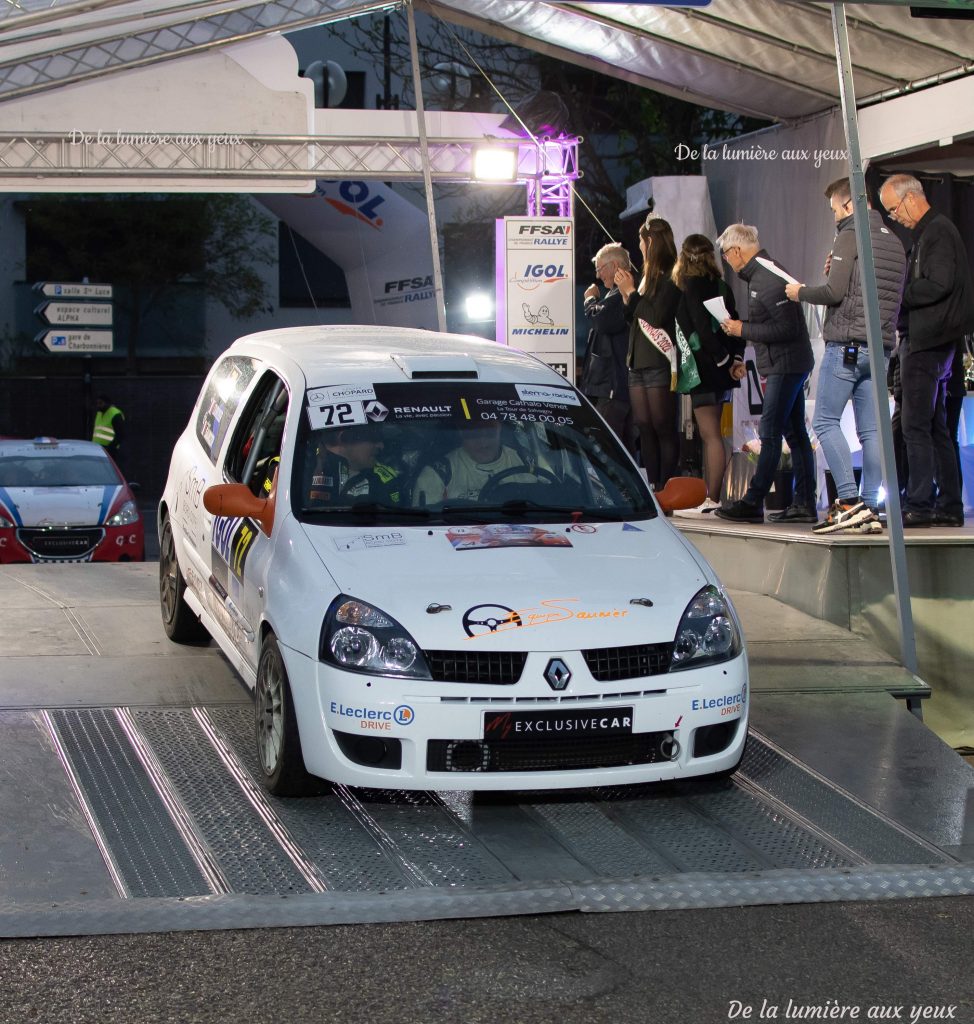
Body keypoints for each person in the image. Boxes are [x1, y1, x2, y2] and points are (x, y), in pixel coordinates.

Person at [785, 177, 906, 535]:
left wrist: (799, 292)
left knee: (824, 422)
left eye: (836, 210)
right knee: (872, 431)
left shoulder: (850, 235)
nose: (835, 217)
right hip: (881, 349)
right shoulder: (895, 242)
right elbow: (859, 288)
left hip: (848, 347)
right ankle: (870, 505)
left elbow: (834, 291)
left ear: (850, 205)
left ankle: (849, 501)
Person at [879, 173, 974, 527]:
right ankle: (947, 505)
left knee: (916, 426)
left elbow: (939, 284)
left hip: (928, 341)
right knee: (934, 428)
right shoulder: (932, 233)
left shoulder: (937, 232)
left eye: (893, 210)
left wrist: (899, 292)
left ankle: (920, 502)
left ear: (910, 198)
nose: (894, 217)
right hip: (931, 340)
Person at [714, 224, 817, 523]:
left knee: (770, 433)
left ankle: (753, 501)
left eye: (726, 256)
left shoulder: (766, 278)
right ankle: (804, 503)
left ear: (736, 251)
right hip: (788, 363)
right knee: (795, 435)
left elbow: (787, 328)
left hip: (786, 364)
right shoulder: (764, 273)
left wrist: (742, 329)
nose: (727, 263)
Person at [671, 234, 744, 515]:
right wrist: (732, 359)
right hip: (721, 370)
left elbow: (701, 330)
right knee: (714, 434)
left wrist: (723, 359)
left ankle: (712, 499)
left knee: (710, 434)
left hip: (705, 369)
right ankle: (713, 497)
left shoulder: (691, 287)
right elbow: (734, 326)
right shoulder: (721, 285)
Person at [615, 216, 681, 488]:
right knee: (644, 428)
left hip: (658, 361)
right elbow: (634, 318)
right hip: (637, 361)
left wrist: (632, 292)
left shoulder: (672, 277)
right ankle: (654, 486)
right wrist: (625, 293)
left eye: (642, 241)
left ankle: (668, 486)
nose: (639, 247)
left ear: (650, 242)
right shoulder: (646, 278)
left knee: (663, 426)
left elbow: (655, 316)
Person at [580, 242, 635, 453]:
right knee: (620, 447)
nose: (598, 276)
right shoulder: (615, 295)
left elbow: (602, 322)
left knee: (609, 449)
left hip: (613, 387)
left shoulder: (624, 294)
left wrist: (590, 300)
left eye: (600, 269)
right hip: (611, 386)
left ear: (613, 266)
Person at [413, 420, 529, 504]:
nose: (483, 443)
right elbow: (424, 525)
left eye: (490, 433)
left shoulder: (525, 461)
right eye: (474, 435)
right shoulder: (438, 473)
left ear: (499, 430)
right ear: (461, 434)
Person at [305, 424, 399, 506]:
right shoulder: (303, 468)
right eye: (373, 439)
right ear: (345, 437)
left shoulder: (385, 479)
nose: (381, 446)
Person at [92, 394, 125, 462]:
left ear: (107, 403)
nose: (98, 405)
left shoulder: (115, 414)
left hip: (109, 450)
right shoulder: (99, 413)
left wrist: (110, 448)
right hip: (97, 449)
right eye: (97, 403)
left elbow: (120, 435)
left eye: (101, 403)